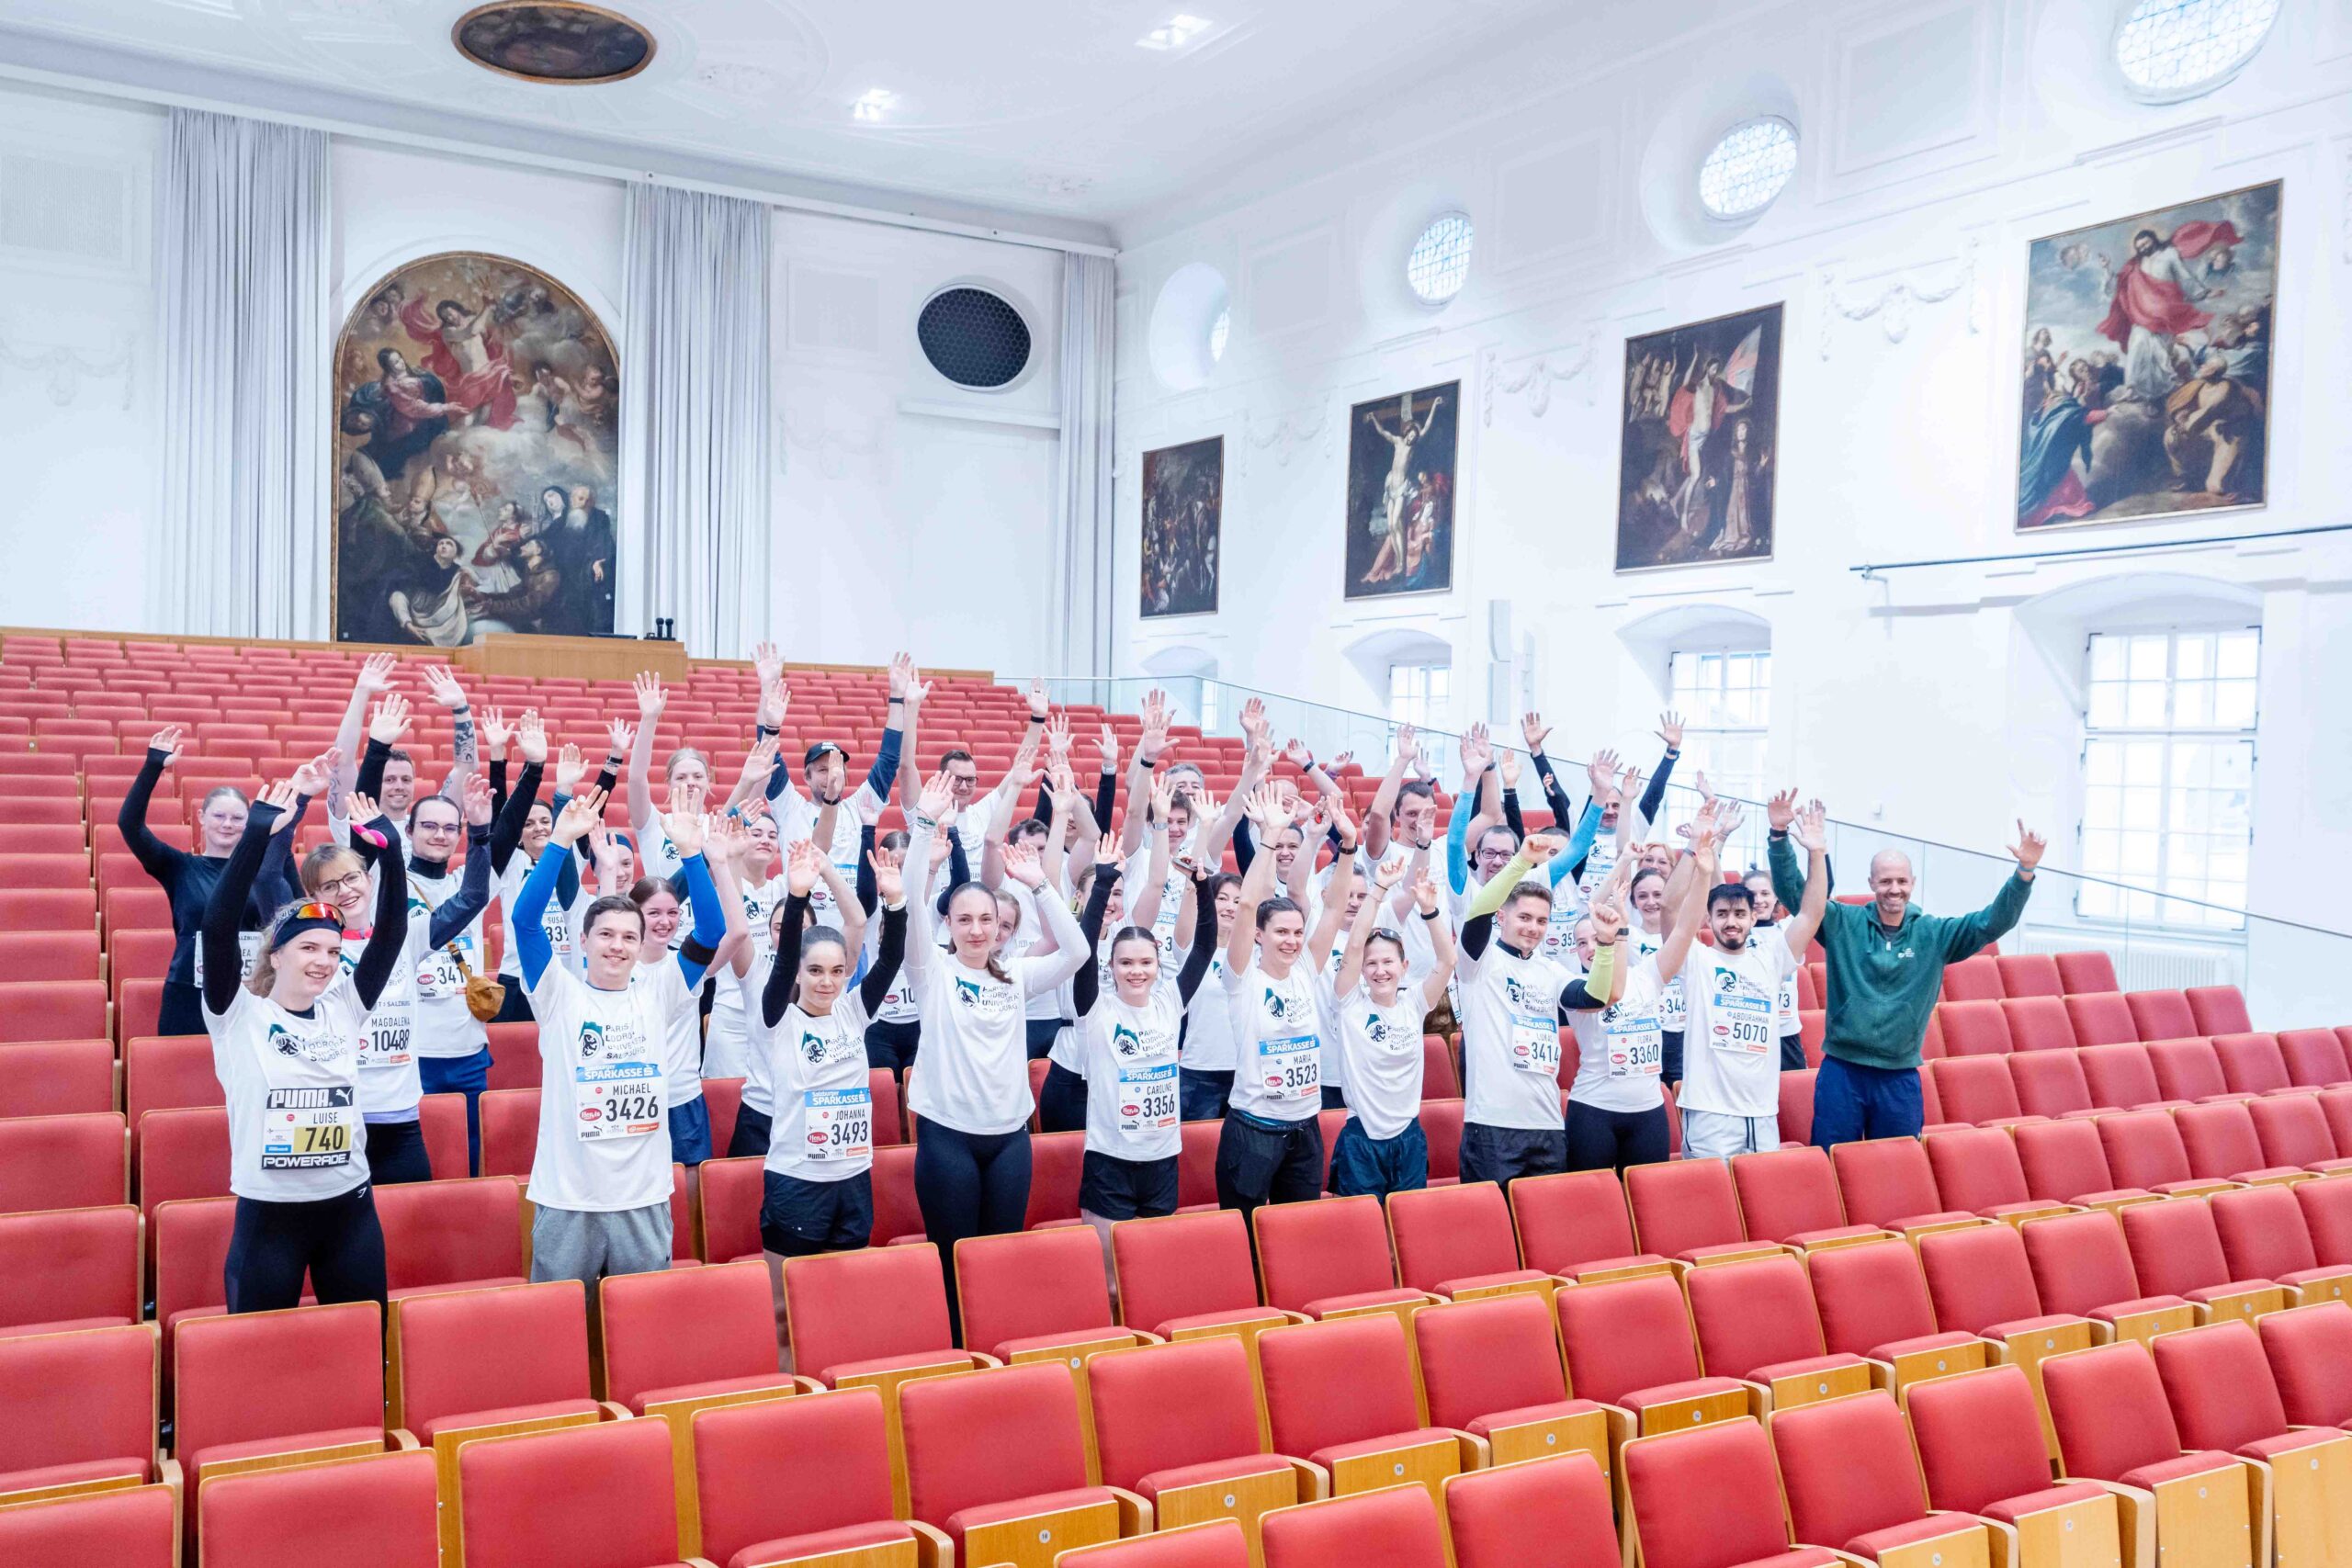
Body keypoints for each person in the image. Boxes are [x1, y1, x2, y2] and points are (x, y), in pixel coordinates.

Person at [511, 787, 726, 1309]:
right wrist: (561, 841)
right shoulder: (557, 993)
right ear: (583, 942)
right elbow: (523, 920)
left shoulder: (662, 990)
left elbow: (714, 929)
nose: (617, 945)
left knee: (644, 1323)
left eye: (629, 937)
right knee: (558, 1327)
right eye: (605, 934)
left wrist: (693, 854)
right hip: (569, 1199)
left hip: (643, 1198)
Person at [200, 781, 408, 1314]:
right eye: (308, 947)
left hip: (351, 1209)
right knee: (260, 1359)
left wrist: (394, 855)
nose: (323, 960)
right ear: (277, 953)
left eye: (333, 951)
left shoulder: (345, 1004)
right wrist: (253, 838)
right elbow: (217, 928)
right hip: (271, 1217)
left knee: (364, 1348)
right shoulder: (237, 1016)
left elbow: (391, 935)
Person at [899, 774, 1089, 1333]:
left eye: (987, 920)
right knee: (953, 1259)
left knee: (998, 1257)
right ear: (950, 926)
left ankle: (994, 1350)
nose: (978, 929)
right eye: (965, 920)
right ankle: (958, 1350)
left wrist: (1038, 885)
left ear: (1001, 929)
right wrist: (922, 827)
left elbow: (1077, 951)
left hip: (1009, 1136)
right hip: (947, 1135)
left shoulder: (1017, 975)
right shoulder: (931, 970)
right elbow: (910, 904)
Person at [1771, 795, 2041, 1147]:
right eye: (1885, 882)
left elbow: (1991, 923)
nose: (1893, 889)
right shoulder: (1843, 922)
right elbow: (1797, 895)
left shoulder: (1934, 934)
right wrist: (1779, 836)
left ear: (1912, 882)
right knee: (1831, 1163)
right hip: (1842, 1071)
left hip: (1898, 1077)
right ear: (1871, 883)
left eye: (1900, 881)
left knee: (1895, 1170)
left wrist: (2024, 875)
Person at [303, 758, 498, 1186]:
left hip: (398, 1122)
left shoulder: (402, 939)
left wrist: (481, 834)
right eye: (331, 887)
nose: (346, 891)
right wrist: (301, 799)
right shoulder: (306, 954)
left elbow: (470, 899)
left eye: (353, 879)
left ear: (370, 881)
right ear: (314, 897)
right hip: (335, 1114)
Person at [755, 839, 907, 1359]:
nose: (826, 981)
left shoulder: (854, 1012)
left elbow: (890, 958)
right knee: (785, 1311)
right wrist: (797, 897)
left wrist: (896, 902)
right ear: (798, 972)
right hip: (797, 1182)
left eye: (837, 971)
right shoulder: (779, 1018)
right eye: (815, 970)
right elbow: (778, 967)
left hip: (853, 1180)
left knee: (841, 1304)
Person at [1069, 833, 1216, 1274]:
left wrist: (1202, 886)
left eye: (1146, 962)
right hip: (1110, 1160)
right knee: (1112, 1281)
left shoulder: (1171, 1001)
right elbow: (1083, 944)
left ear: (1157, 965)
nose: (1137, 971)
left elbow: (1206, 946)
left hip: (1161, 1157)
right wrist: (1106, 879)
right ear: (1110, 968)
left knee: (1154, 1272)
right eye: (1126, 963)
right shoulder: (1094, 1008)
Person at [121, 727, 303, 1037]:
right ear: (201, 818)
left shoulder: (265, 872)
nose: (228, 825)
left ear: (250, 824)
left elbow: (300, 913)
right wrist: (153, 767)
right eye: (219, 817)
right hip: (189, 994)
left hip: (253, 993)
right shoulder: (179, 867)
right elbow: (130, 825)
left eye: (237, 819)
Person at [1678, 800, 1829, 1159]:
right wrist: (1707, 850)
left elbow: (1812, 912)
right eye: (1723, 915)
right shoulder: (1695, 958)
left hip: (1762, 1114)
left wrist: (1818, 852)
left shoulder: (1771, 957)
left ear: (1753, 917)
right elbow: (1678, 909)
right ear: (1709, 920)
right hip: (1710, 1114)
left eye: (1740, 914)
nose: (1732, 921)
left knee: (1760, 1209)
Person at [1452, 832, 1598, 1190]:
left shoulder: (1550, 970)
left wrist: (1611, 943)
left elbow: (1594, 996)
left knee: (1545, 1238)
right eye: (1525, 918)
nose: (1533, 928)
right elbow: (1477, 913)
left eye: (1541, 921)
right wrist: (1520, 863)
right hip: (1492, 1127)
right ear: (1502, 916)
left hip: (1547, 1126)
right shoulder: (1479, 961)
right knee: (1493, 1238)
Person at [1215, 784, 1334, 1217]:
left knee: (1296, 1233)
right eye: (1281, 932)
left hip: (1305, 1128)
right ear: (1261, 936)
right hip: (1253, 1130)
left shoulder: (1305, 968)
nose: (1292, 940)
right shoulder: (1242, 977)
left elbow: (1336, 910)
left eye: (1297, 932)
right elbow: (1247, 906)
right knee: (1245, 1235)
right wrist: (1268, 838)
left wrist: (1326, 840)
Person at [1325, 858, 1456, 1201]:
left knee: (1408, 1224)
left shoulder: (1414, 1002)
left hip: (1409, 1138)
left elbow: (1447, 961)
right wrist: (1379, 890)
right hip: (1361, 1140)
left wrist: (1430, 911)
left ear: (1404, 966)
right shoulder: (1350, 1003)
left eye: (1388, 962)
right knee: (1362, 1227)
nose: (1380, 971)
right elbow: (1354, 945)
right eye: (1372, 964)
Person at [1561, 866, 1683, 1173]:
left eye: (1598, 937)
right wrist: (1613, 938)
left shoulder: (1647, 975)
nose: (1590, 947)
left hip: (1649, 1113)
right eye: (1581, 943)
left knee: (1649, 1204)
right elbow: (1608, 993)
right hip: (1593, 1111)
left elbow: (1684, 931)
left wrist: (1698, 858)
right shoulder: (1572, 987)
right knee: (1591, 1205)